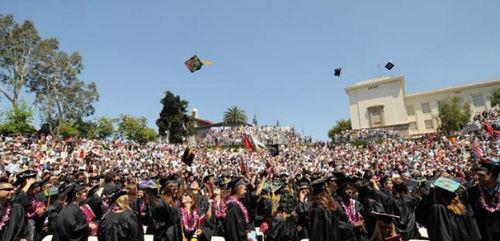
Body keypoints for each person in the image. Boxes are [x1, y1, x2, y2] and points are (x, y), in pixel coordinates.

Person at [467, 160, 500, 241]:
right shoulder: (472, 192)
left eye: (481, 175)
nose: (477, 177)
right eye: (477, 174)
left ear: (493, 177)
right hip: (481, 234)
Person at [223, 177, 249, 241]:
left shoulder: (237, 203)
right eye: (244, 189)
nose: (245, 192)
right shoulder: (233, 206)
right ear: (237, 190)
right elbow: (234, 229)